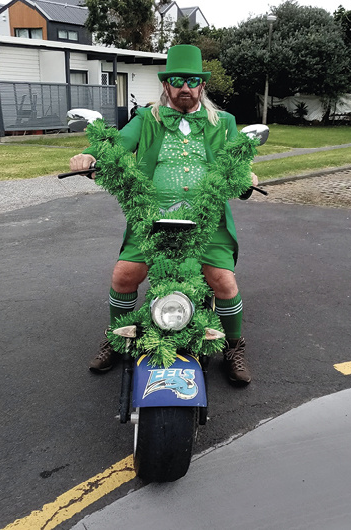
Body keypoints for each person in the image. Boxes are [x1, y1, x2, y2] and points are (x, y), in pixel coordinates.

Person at [69, 45, 256, 386]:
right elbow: (116, 144)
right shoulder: (146, 119)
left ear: (201, 86)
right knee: (124, 274)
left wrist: (248, 177)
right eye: (177, 80)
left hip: (208, 220)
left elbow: (239, 164)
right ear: (166, 85)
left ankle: (233, 345)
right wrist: (88, 154)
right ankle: (118, 337)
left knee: (223, 281)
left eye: (192, 81)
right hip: (151, 220)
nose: (185, 87)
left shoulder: (224, 122)